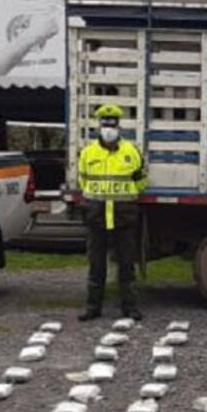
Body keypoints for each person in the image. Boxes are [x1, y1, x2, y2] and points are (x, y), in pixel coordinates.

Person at [77, 103, 147, 321]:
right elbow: (84, 180)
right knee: (96, 266)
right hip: (97, 218)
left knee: (126, 266)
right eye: (105, 124)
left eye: (112, 124)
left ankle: (130, 308)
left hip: (123, 217)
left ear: (119, 126)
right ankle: (93, 308)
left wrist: (127, 195)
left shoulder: (131, 151)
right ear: (99, 126)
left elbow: (141, 179)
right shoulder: (88, 153)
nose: (108, 128)